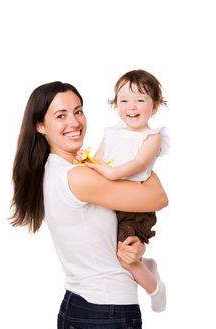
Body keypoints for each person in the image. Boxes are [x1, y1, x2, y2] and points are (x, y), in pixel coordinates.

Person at [10, 81, 168, 329]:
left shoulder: (58, 168)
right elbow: (158, 197)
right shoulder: (78, 176)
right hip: (104, 315)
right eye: (60, 116)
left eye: (78, 111)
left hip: (86, 309)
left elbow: (99, 231)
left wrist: (135, 246)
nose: (74, 122)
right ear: (40, 126)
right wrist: (143, 159)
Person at [75, 69, 169, 312]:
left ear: (155, 106)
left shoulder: (152, 137)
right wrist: (85, 161)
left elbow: (135, 165)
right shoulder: (112, 132)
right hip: (111, 202)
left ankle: (155, 288)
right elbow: (97, 159)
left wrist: (107, 173)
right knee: (104, 249)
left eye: (140, 100)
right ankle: (146, 263)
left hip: (135, 208)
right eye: (124, 100)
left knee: (124, 255)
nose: (131, 107)